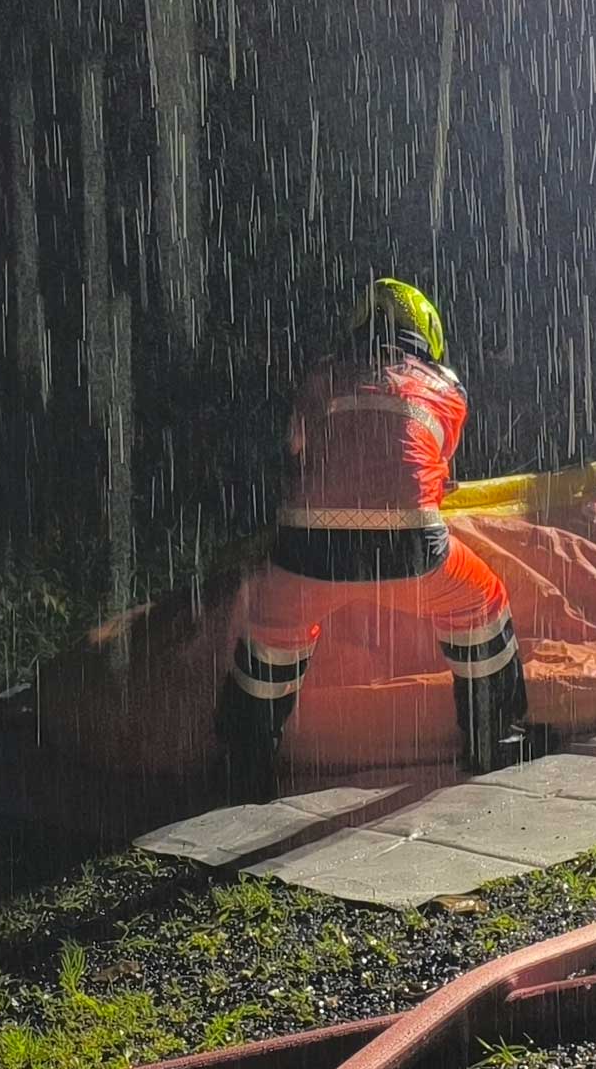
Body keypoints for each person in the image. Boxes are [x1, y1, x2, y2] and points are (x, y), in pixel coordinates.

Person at [219, 279, 529, 797]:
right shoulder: (447, 387)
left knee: (273, 629)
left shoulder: (318, 377)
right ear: (426, 332)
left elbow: (298, 450)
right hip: (410, 549)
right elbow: (429, 472)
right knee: (481, 605)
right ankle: (491, 740)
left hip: (306, 548)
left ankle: (244, 766)